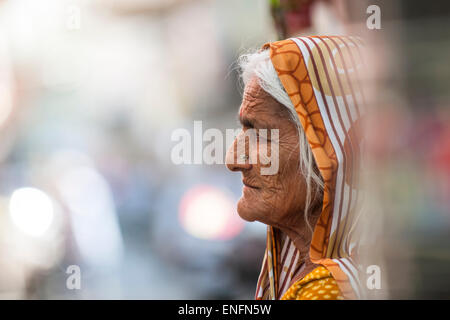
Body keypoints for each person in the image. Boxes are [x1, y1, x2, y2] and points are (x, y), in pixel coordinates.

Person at [225, 36, 366, 300]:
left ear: (327, 151)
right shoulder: (303, 272)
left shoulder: (328, 292)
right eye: (244, 129)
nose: (234, 160)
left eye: (262, 135)